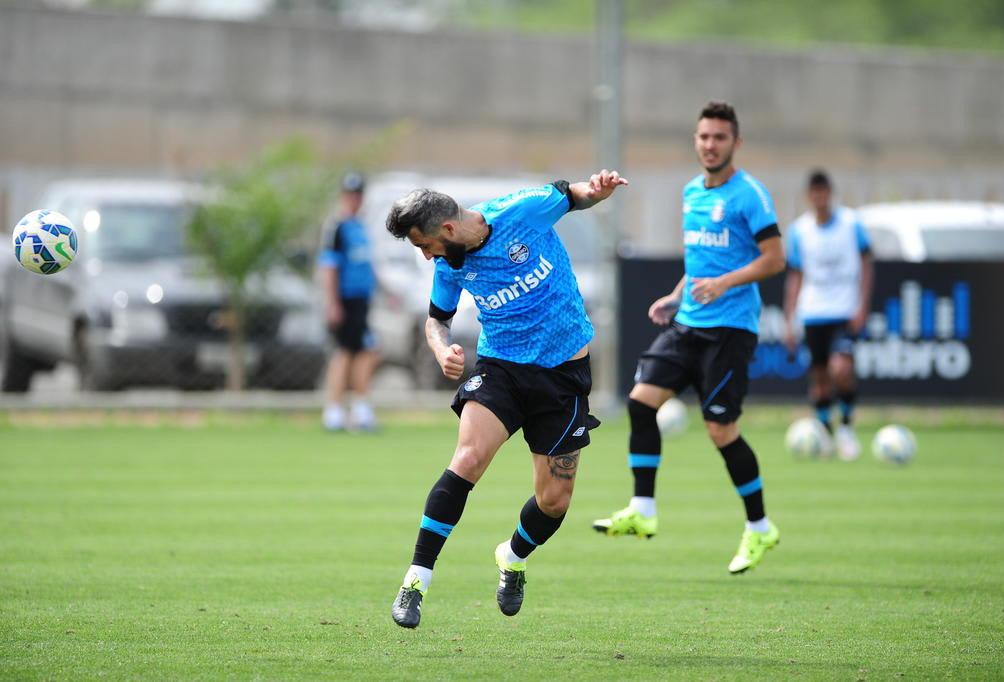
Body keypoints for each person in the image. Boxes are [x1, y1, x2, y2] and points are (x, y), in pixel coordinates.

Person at [384, 170, 628, 629]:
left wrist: (598, 190)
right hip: (502, 369)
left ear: (449, 230)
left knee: (554, 501)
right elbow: (436, 321)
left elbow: (577, 195)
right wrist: (442, 349)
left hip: (562, 374)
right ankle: (415, 582)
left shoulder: (522, 211)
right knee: (469, 457)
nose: (425, 255)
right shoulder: (449, 265)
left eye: (425, 244)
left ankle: (512, 557)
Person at [592, 101, 786, 575]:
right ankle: (643, 509)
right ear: (695, 141)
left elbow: (775, 259)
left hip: (730, 331)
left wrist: (726, 283)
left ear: (735, 143)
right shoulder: (691, 193)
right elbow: (700, 261)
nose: (710, 145)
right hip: (689, 324)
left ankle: (760, 528)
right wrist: (677, 295)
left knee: (721, 431)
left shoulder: (750, 196)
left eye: (719, 137)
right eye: (703, 137)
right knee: (640, 403)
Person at [783, 170, 873, 460]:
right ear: (809, 196)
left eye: (824, 192)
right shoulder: (800, 230)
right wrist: (789, 318)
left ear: (830, 193)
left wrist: (862, 305)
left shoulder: (851, 224)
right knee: (820, 377)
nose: (820, 198)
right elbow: (795, 276)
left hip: (844, 310)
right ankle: (825, 434)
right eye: (815, 193)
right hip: (813, 312)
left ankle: (846, 428)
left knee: (841, 370)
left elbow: (867, 263)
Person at [319, 172, 379, 432]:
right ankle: (334, 409)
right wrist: (332, 302)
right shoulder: (337, 227)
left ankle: (358, 407)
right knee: (345, 352)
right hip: (345, 299)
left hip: (362, 300)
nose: (355, 200)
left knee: (364, 352)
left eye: (358, 195)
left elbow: (368, 265)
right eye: (350, 195)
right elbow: (329, 267)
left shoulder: (361, 227)